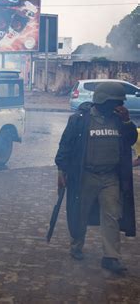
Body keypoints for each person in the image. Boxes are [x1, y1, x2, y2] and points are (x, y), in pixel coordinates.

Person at [55, 82, 137, 274]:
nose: (118, 106)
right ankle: (76, 246)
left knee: (112, 216)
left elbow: (131, 139)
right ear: (102, 101)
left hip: (110, 177)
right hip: (86, 176)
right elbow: (65, 145)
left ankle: (111, 257)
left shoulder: (119, 120)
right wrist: (61, 170)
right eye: (115, 102)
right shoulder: (80, 120)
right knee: (80, 213)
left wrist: (126, 121)